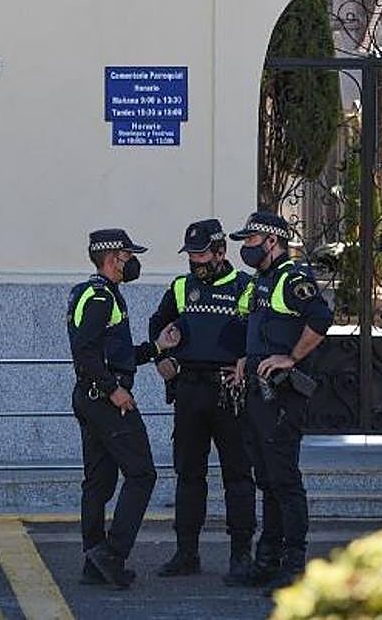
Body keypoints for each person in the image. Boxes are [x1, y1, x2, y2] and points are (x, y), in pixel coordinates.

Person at [68, 228, 181, 589]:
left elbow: (117, 355)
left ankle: (94, 563)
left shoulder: (93, 292)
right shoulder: (101, 298)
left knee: (98, 483)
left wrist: (156, 348)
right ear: (112, 258)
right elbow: (85, 353)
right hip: (105, 401)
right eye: (128, 256)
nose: (133, 262)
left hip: (91, 397)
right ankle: (111, 555)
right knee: (142, 474)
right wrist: (113, 389)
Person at [147, 219, 257, 584]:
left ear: (221, 251)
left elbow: (260, 333)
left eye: (202, 254)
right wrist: (162, 358)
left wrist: (248, 362)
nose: (196, 262)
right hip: (189, 390)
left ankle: (241, 554)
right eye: (191, 255)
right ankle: (186, 553)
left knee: (238, 476)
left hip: (229, 391)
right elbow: (157, 327)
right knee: (188, 475)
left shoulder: (245, 287)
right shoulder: (181, 287)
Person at [229, 211, 333, 593]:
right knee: (268, 480)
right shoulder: (263, 280)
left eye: (251, 240)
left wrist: (292, 357)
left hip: (282, 397)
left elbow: (321, 319)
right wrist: (247, 359)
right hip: (258, 393)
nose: (246, 247)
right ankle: (267, 560)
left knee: (284, 481)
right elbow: (262, 330)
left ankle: (293, 565)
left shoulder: (293, 278)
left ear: (272, 241)